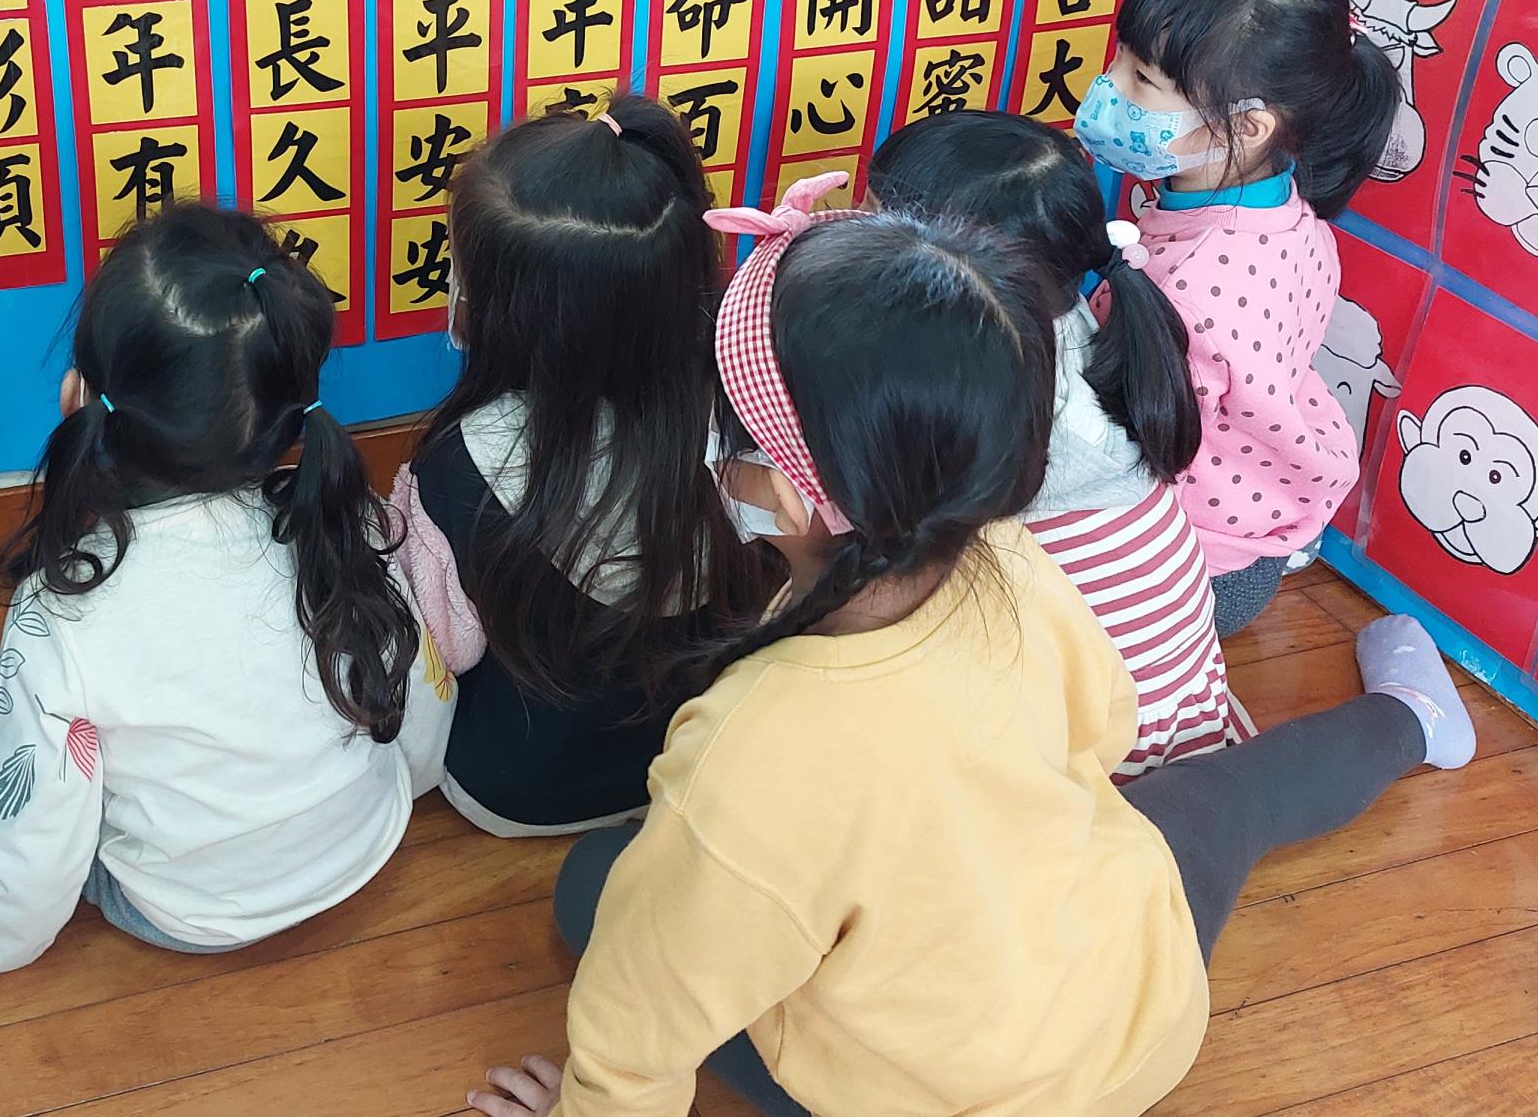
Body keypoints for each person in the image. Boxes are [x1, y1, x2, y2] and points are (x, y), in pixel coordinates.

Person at [468, 180, 1474, 1117]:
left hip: (952, 1094)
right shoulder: (1011, 554)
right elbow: (1104, 729)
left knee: (598, 888)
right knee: (1234, 795)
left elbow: (638, 1028)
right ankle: (1411, 718)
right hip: (1136, 991)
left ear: (778, 494)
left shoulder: (747, 753)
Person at [0, 204, 449, 969]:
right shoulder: (342, 515)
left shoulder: (61, 612)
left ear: (79, 398)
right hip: (364, 840)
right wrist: (404, 787)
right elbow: (415, 682)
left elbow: (39, 829)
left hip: (187, 910)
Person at [389, 99, 770, 836]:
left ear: (512, 313)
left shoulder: (463, 464)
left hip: (514, 795)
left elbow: (439, 649)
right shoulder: (748, 417)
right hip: (685, 757)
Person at [868, 111, 1244, 778]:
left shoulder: (990, 397)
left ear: (958, 280)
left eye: (871, 228)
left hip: (1095, 757)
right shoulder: (1064, 322)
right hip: (1165, 709)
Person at [1074, 0, 1405, 634]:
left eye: (1143, 81)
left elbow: (1122, 452)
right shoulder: (1289, 215)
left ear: (1247, 127)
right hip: (1249, 534)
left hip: (1182, 572)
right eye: (1121, 56)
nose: (1108, 85)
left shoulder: (1190, 291)